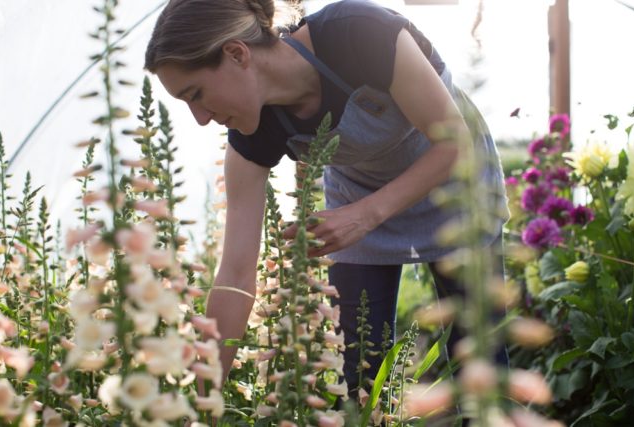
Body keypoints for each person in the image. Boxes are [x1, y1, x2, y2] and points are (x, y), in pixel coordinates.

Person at [145, 0, 509, 395]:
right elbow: (234, 273)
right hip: (357, 198)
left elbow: (453, 143)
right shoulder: (251, 136)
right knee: (361, 372)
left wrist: (364, 216)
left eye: (196, 94)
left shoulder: (357, 32)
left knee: (479, 356)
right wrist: (206, 395)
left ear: (237, 54)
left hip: (452, 175)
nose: (200, 117)